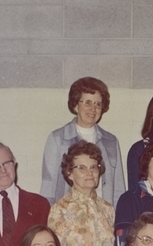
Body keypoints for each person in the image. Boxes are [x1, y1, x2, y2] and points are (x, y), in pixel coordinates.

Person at [41, 77, 125, 205]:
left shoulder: (111, 141)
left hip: (103, 217)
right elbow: (48, 187)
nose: (93, 109)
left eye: (98, 104)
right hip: (68, 217)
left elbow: (119, 189)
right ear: (75, 105)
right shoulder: (57, 138)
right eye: (88, 102)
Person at [48, 141, 114, 246]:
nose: (89, 173)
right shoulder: (60, 210)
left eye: (94, 167)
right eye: (82, 168)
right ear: (69, 173)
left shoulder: (108, 209)